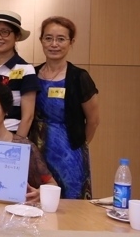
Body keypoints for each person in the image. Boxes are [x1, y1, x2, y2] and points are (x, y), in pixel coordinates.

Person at [32, 16, 99, 199]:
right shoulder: (32, 74)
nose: (54, 44)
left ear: (71, 42)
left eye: (61, 39)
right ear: (41, 41)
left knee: (70, 204)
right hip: (35, 150)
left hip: (70, 153)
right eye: (48, 38)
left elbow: (93, 121)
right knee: (33, 201)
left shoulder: (79, 77)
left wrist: (77, 146)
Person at [0, 10, 39, 137]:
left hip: (10, 135)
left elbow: (28, 117)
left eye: (4, 32)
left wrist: (17, 144)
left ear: (17, 36)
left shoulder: (26, 70)